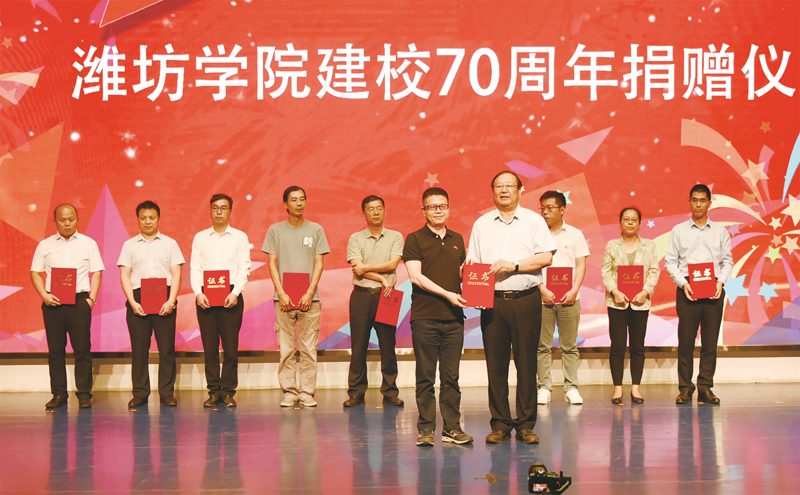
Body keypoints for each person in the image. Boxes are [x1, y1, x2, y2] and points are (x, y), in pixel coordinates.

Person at [466, 171, 556, 445]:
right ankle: (500, 424)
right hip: (492, 302)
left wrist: (514, 265)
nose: (504, 190)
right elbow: (473, 263)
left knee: (527, 363)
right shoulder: (481, 224)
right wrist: (471, 283)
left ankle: (526, 424)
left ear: (520, 189)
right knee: (496, 365)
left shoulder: (534, 221)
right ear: (493, 190)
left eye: (509, 186)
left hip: (526, 299)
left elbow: (546, 257)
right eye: (499, 186)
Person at [403, 187, 473, 446]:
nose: (438, 211)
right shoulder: (414, 239)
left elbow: (460, 274)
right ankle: (425, 429)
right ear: (424, 211)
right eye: (432, 207)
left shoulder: (458, 238)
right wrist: (447, 294)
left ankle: (452, 428)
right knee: (425, 376)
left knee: (451, 378)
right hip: (425, 317)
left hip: (454, 318)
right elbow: (416, 277)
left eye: (442, 206)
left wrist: (473, 277)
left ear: (449, 208)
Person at [31, 204, 104, 409]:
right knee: (55, 351)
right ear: (54, 221)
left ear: (77, 219)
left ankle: (84, 394)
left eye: (71, 219)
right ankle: (59, 394)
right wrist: (44, 295)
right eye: (62, 220)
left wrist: (91, 299)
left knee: (82, 349)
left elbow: (97, 272)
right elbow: (35, 273)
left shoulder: (88, 243)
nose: (67, 223)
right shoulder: (45, 245)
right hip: (53, 303)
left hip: (79, 301)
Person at [262, 186, 330, 408]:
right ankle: (289, 392)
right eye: (294, 200)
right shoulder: (275, 230)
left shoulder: (316, 230)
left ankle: (307, 392)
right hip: (283, 299)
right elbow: (272, 263)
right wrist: (281, 293)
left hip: (311, 299)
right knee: (286, 349)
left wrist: (310, 292)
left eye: (302, 199)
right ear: (285, 204)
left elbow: (319, 263)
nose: (299, 203)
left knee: (309, 349)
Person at [665, 184, 732, 405]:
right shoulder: (679, 230)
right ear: (689, 202)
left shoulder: (720, 232)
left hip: (713, 289)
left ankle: (705, 387)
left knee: (710, 342)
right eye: (694, 200)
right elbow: (670, 262)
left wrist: (721, 282)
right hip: (688, 289)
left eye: (703, 200)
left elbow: (727, 261)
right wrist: (683, 283)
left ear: (710, 203)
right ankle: (685, 388)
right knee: (686, 341)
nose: (698, 204)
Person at [118, 201, 185, 408]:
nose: (148, 221)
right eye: (143, 218)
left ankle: (166, 393)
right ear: (138, 219)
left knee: (166, 349)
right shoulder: (129, 245)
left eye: (152, 217)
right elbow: (125, 275)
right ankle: (140, 393)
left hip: (164, 298)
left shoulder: (170, 244)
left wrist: (171, 301)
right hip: (138, 299)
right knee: (139, 350)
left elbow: (176, 274)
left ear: (158, 218)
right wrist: (132, 302)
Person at [343, 195, 404, 407]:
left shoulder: (395, 236)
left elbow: (392, 264)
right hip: (361, 296)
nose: (376, 212)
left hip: (387, 296)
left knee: (388, 345)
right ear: (363, 214)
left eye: (379, 208)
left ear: (385, 211)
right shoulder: (355, 238)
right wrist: (381, 278)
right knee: (358, 345)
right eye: (371, 209)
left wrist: (367, 269)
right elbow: (357, 268)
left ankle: (390, 391)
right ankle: (356, 392)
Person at [191, 194, 251, 408]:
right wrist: (198, 293)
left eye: (223, 208)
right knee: (210, 348)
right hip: (206, 297)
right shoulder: (200, 237)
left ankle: (228, 392)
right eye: (215, 207)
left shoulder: (240, 237)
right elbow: (195, 268)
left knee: (230, 348)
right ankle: (214, 391)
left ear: (230, 212)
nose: (219, 211)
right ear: (210, 210)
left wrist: (235, 292)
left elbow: (244, 266)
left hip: (231, 296)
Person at [600, 207, 660, 404]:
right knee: (617, 346)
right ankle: (617, 389)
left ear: (640, 224)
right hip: (617, 303)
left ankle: (636, 388)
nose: (630, 222)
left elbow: (654, 271)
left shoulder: (649, 245)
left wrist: (645, 292)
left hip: (640, 303)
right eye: (626, 219)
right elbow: (606, 271)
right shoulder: (612, 245)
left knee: (637, 346)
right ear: (620, 223)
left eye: (634, 219)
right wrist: (615, 291)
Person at [537, 190, 590, 406]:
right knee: (542, 346)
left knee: (569, 345)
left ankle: (571, 388)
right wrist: (542, 289)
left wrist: (575, 290)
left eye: (550, 208)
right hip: (543, 298)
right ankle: (544, 387)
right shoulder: (535, 234)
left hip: (570, 298)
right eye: (542, 208)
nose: (545, 212)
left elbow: (580, 264)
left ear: (562, 209)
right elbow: (531, 266)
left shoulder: (575, 234)